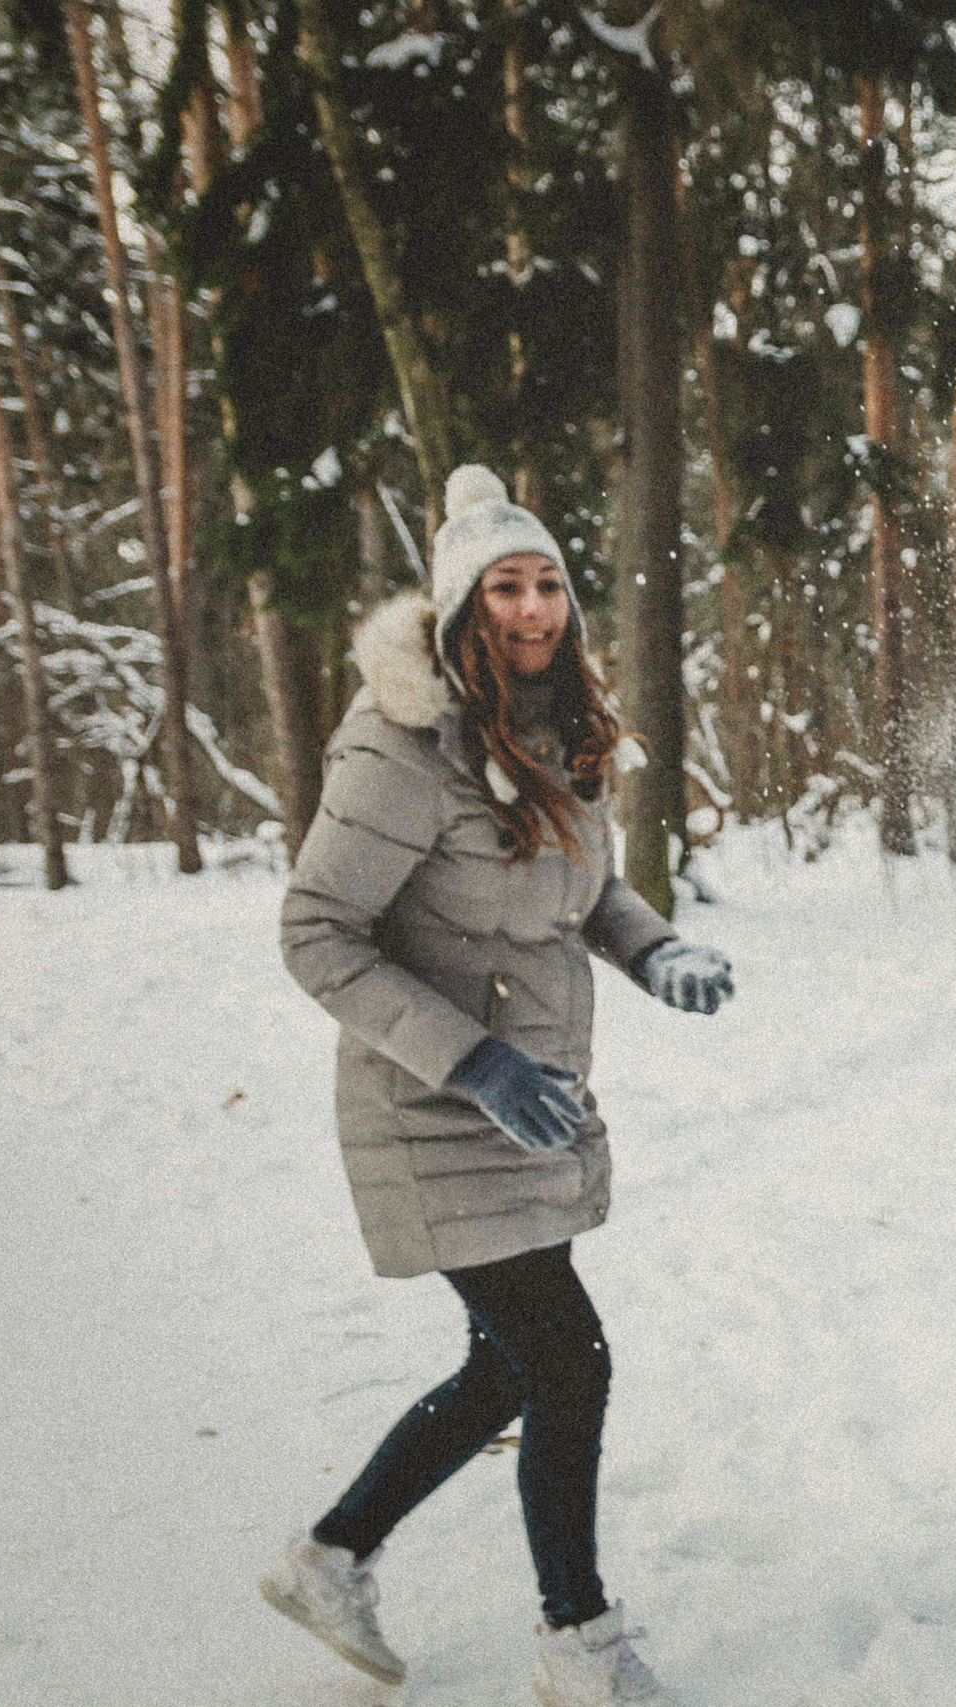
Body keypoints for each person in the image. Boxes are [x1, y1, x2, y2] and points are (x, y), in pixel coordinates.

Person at [264, 465, 735, 1707]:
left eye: (548, 584)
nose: (531, 609)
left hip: (530, 1097)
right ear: (459, 608)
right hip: (429, 1107)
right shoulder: (399, 743)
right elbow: (317, 932)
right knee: (567, 1362)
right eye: (504, 588)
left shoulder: (560, 728)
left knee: (506, 1372)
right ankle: (576, 1645)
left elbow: (589, 891)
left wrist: (658, 950)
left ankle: (331, 1558)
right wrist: (470, 1061)